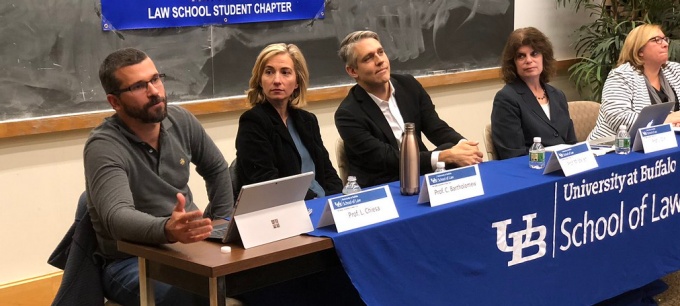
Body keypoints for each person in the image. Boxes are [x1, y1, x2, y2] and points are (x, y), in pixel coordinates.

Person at [84, 48, 234, 305]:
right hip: (131, 262)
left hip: (189, 248)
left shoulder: (181, 120)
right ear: (115, 102)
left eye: (155, 79)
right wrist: (168, 229)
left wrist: (221, 223)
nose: (154, 91)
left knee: (270, 278)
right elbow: (116, 217)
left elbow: (217, 168)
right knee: (196, 294)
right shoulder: (103, 146)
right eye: (139, 86)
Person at [335, 30, 483, 188]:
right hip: (384, 185)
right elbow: (386, 159)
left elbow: (435, 127)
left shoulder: (408, 85)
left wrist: (464, 146)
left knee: (456, 155)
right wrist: (445, 155)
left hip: (420, 174)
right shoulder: (347, 114)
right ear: (352, 71)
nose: (380, 61)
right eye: (368, 58)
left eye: (381, 52)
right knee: (447, 154)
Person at [235, 43, 342, 199]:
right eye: (269, 72)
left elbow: (327, 172)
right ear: (260, 80)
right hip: (285, 210)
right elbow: (268, 184)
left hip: (319, 203)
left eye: (285, 72)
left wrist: (335, 199)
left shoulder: (308, 121)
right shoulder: (253, 122)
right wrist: (316, 201)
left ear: (297, 81)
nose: (277, 80)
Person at [491, 27, 577, 160]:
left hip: (566, 169)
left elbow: (572, 143)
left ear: (544, 57)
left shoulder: (558, 95)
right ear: (513, 63)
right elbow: (513, 154)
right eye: (521, 56)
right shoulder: (506, 99)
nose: (529, 60)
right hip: (533, 172)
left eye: (534, 53)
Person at [589, 23, 680, 140]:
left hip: (666, 140)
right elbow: (618, 118)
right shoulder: (621, 75)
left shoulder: (675, 70)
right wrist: (667, 120)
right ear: (639, 50)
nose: (665, 44)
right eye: (656, 40)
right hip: (616, 147)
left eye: (664, 39)